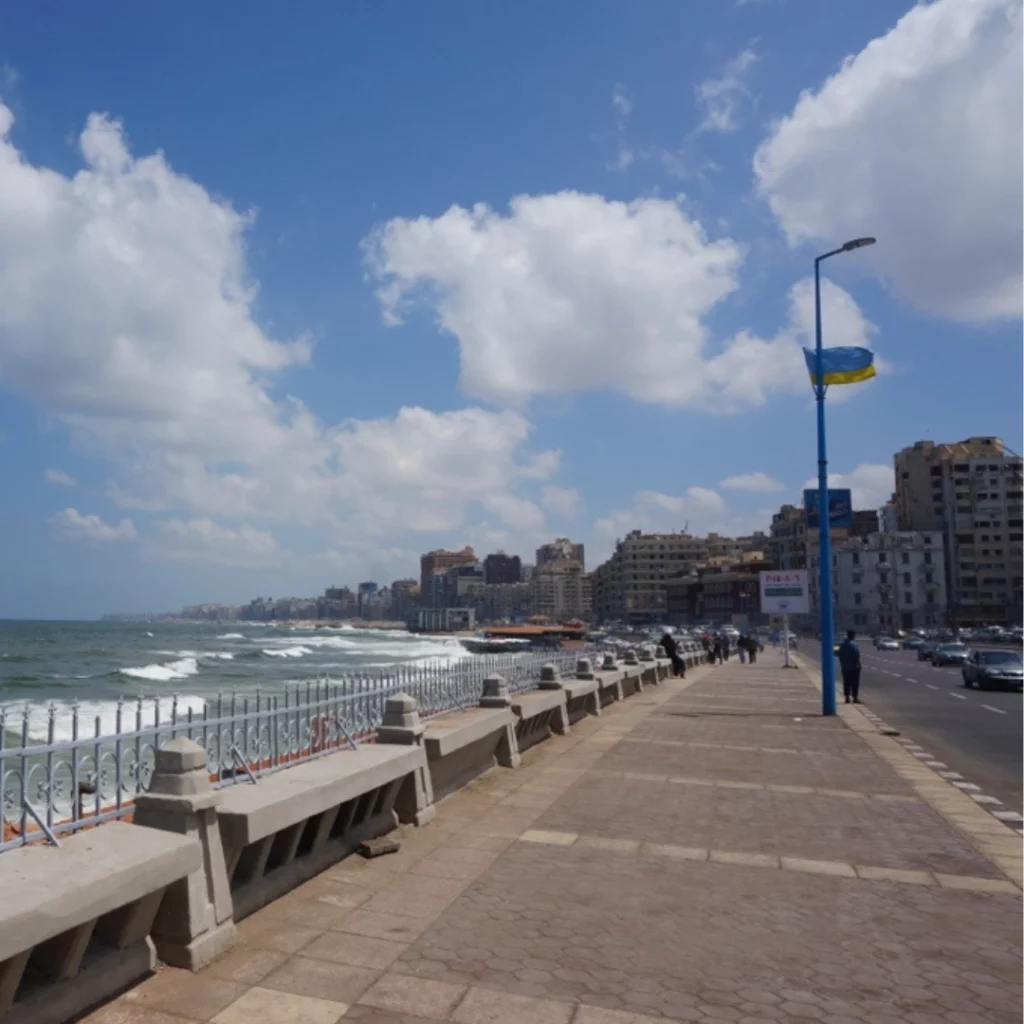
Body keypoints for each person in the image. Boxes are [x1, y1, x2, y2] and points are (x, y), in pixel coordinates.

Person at [836, 630, 862, 703]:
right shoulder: (854, 644)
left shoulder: (843, 644)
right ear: (853, 636)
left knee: (846, 682)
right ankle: (855, 698)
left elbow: (839, 655)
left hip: (845, 667)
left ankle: (847, 697)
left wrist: (843, 663)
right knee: (855, 683)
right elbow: (857, 655)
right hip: (854, 667)